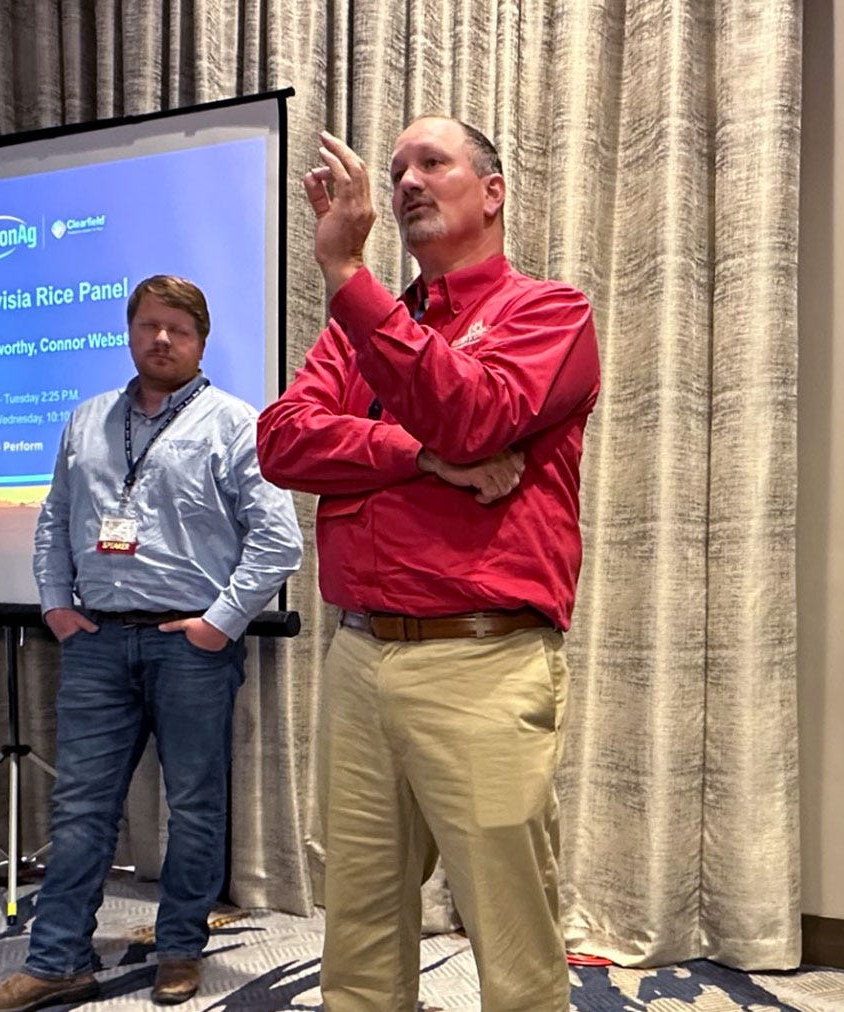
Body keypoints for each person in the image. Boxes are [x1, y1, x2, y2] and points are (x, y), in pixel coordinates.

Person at [256, 116, 599, 1011]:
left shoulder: (547, 312)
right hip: (360, 655)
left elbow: (474, 418)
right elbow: (284, 442)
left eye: (432, 163)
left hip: (482, 659)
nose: (405, 180)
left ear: (492, 192)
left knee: (510, 928)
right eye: (397, 166)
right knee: (361, 915)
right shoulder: (367, 331)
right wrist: (418, 456)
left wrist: (346, 278)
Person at [0, 275, 303, 1012]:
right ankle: (58, 960)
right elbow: (55, 521)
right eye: (150, 325)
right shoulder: (87, 420)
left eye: (178, 329)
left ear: (201, 341)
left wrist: (219, 623)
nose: (161, 340)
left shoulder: (236, 423)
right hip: (96, 644)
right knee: (81, 807)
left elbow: (279, 542)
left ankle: (180, 948)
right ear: (129, 330)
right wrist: (55, 604)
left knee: (196, 806)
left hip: (191, 647)